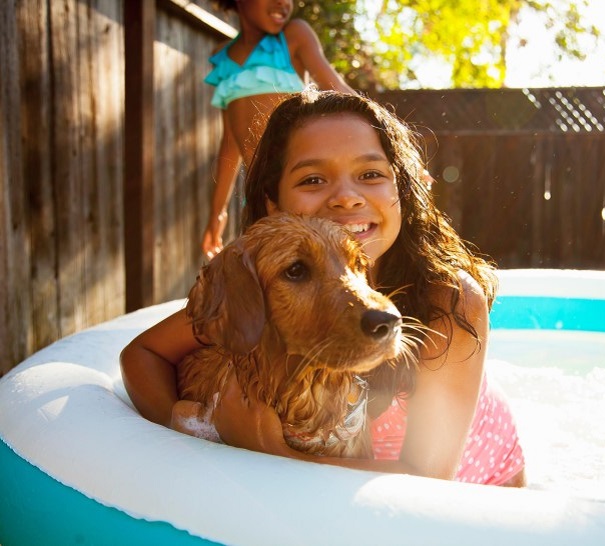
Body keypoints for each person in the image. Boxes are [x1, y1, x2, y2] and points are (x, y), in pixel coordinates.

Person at [121, 89, 526, 487]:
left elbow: (428, 480)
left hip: (476, 489)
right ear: (273, 205)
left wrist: (271, 453)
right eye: (313, 179)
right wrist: (186, 429)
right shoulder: (258, 288)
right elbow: (142, 353)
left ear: (400, 190)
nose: (347, 198)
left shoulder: (450, 301)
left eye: (370, 174)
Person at [202, 0, 354, 259]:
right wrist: (218, 210)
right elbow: (230, 141)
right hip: (261, 200)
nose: (284, 3)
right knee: (270, 277)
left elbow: (342, 91)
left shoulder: (294, 36)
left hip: (306, 191)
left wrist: (393, 144)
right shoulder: (224, 56)